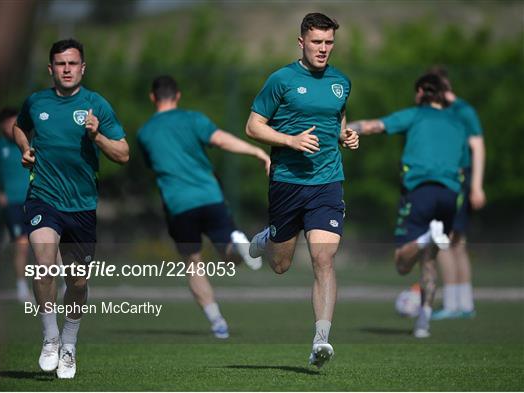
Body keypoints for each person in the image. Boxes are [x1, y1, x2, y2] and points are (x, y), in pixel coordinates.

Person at [245, 13, 359, 368]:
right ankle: (267, 238)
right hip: (287, 183)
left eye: (328, 43)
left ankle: (321, 340)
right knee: (280, 264)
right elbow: (253, 126)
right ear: (301, 42)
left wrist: (346, 134)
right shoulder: (281, 80)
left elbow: (336, 117)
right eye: (317, 42)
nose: (323, 49)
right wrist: (289, 140)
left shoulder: (341, 81)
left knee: (324, 259)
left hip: (327, 182)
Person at [13, 38, 129, 379]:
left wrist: (97, 137)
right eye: (61, 64)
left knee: (77, 282)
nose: (67, 69)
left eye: (73, 63)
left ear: (83, 68)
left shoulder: (97, 105)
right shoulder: (36, 102)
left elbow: (123, 155)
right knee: (44, 266)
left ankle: (69, 343)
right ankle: (49, 337)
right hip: (43, 198)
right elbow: (20, 127)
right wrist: (25, 147)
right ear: (51, 69)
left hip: (82, 205)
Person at [137, 75, 270, 339]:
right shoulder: (193, 119)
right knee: (230, 253)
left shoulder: (144, 133)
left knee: (193, 264)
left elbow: (153, 166)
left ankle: (217, 322)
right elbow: (222, 140)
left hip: (178, 205)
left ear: (153, 97)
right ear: (178, 95)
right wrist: (257, 152)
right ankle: (240, 243)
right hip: (210, 196)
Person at [348, 73, 467, 338]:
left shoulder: (415, 115)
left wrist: (340, 130)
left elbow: (372, 126)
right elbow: (462, 163)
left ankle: (426, 237)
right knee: (429, 261)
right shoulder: (459, 124)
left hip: (420, 191)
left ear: (423, 92)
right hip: (449, 196)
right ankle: (423, 321)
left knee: (402, 262)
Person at [428, 66, 486, 320]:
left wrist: (476, 186)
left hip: (456, 181)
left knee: (443, 241)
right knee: (456, 243)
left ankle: (453, 304)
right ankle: (465, 304)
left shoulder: (460, 111)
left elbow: (478, 147)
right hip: (452, 180)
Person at [0, 107, 31, 302]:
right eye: (10, 123)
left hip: (36, 200)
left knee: (48, 243)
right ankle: (21, 285)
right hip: (12, 203)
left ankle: (64, 282)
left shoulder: (30, 144)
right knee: (21, 244)